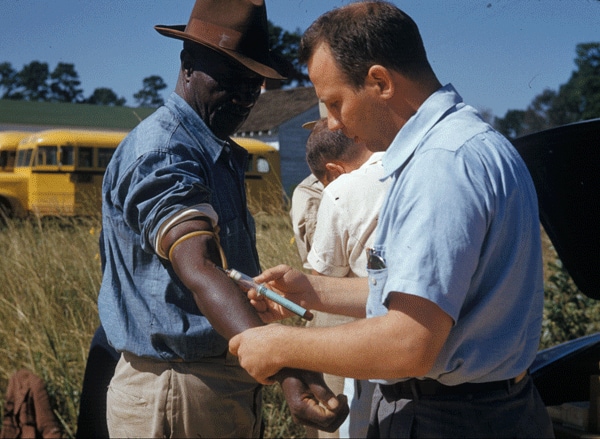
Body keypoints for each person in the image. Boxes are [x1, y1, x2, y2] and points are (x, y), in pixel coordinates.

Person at [229, 1, 555, 437]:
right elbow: (436, 292)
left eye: (334, 102)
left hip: (448, 421)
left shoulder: (440, 166)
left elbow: (410, 342)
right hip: (490, 411)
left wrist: (281, 344)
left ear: (380, 81)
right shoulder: (469, 143)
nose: (332, 124)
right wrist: (313, 290)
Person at [96, 1, 348, 437]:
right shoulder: (164, 151)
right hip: (178, 389)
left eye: (254, 85)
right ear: (188, 64)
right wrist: (287, 367)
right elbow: (202, 267)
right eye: (230, 79)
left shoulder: (213, 148)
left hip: (215, 381)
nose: (244, 97)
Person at [304, 118, 390, 438]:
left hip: (375, 356)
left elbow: (322, 283)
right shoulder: (414, 167)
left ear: (334, 171)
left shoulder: (342, 190)